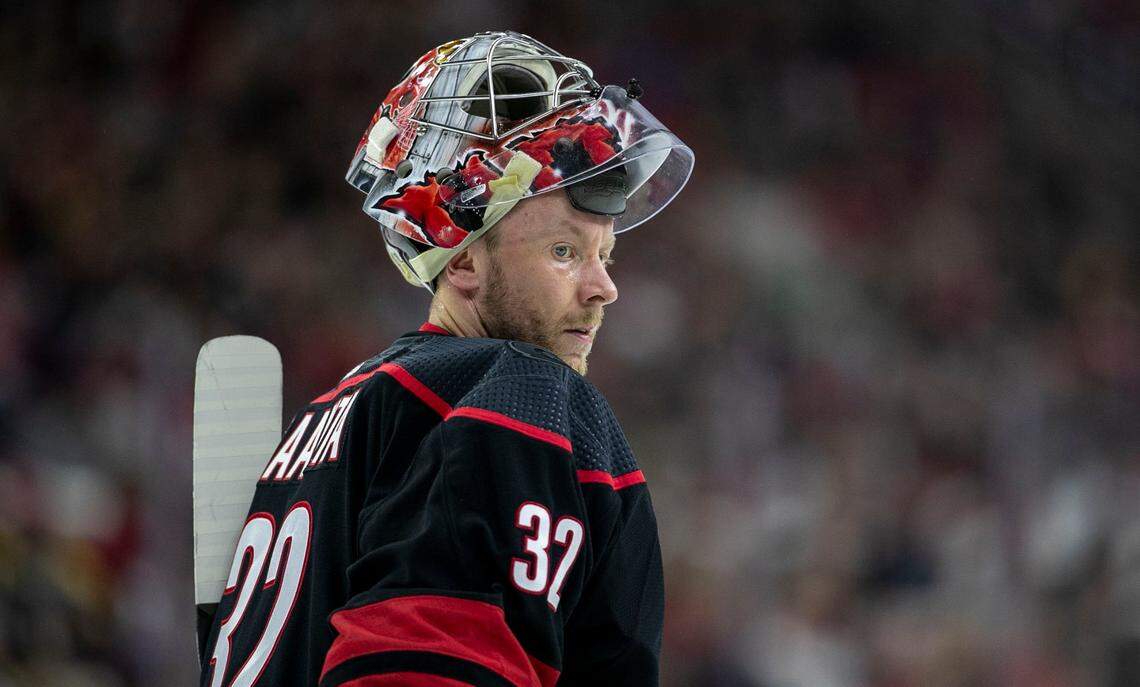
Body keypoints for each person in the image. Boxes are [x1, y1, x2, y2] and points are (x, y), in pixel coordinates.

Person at [198, 30, 693, 686]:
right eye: (565, 252)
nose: (605, 287)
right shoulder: (520, 388)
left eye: (605, 255)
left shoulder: (324, 417)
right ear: (461, 256)